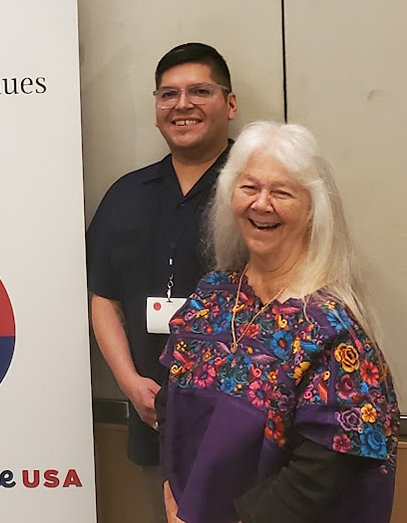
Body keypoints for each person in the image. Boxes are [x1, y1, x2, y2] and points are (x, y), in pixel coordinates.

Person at [160, 121, 399, 523]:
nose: (261, 204)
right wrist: (172, 492)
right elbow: (171, 400)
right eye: (249, 187)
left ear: (311, 209)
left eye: (282, 192)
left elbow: (324, 470)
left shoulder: (332, 327)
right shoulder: (211, 295)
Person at [86, 42, 237, 520]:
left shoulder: (257, 193)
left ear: (230, 104)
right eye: (168, 94)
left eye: (200, 90)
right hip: (154, 413)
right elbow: (103, 296)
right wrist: (129, 383)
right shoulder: (126, 194)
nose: (182, 105)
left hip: (242, 418)